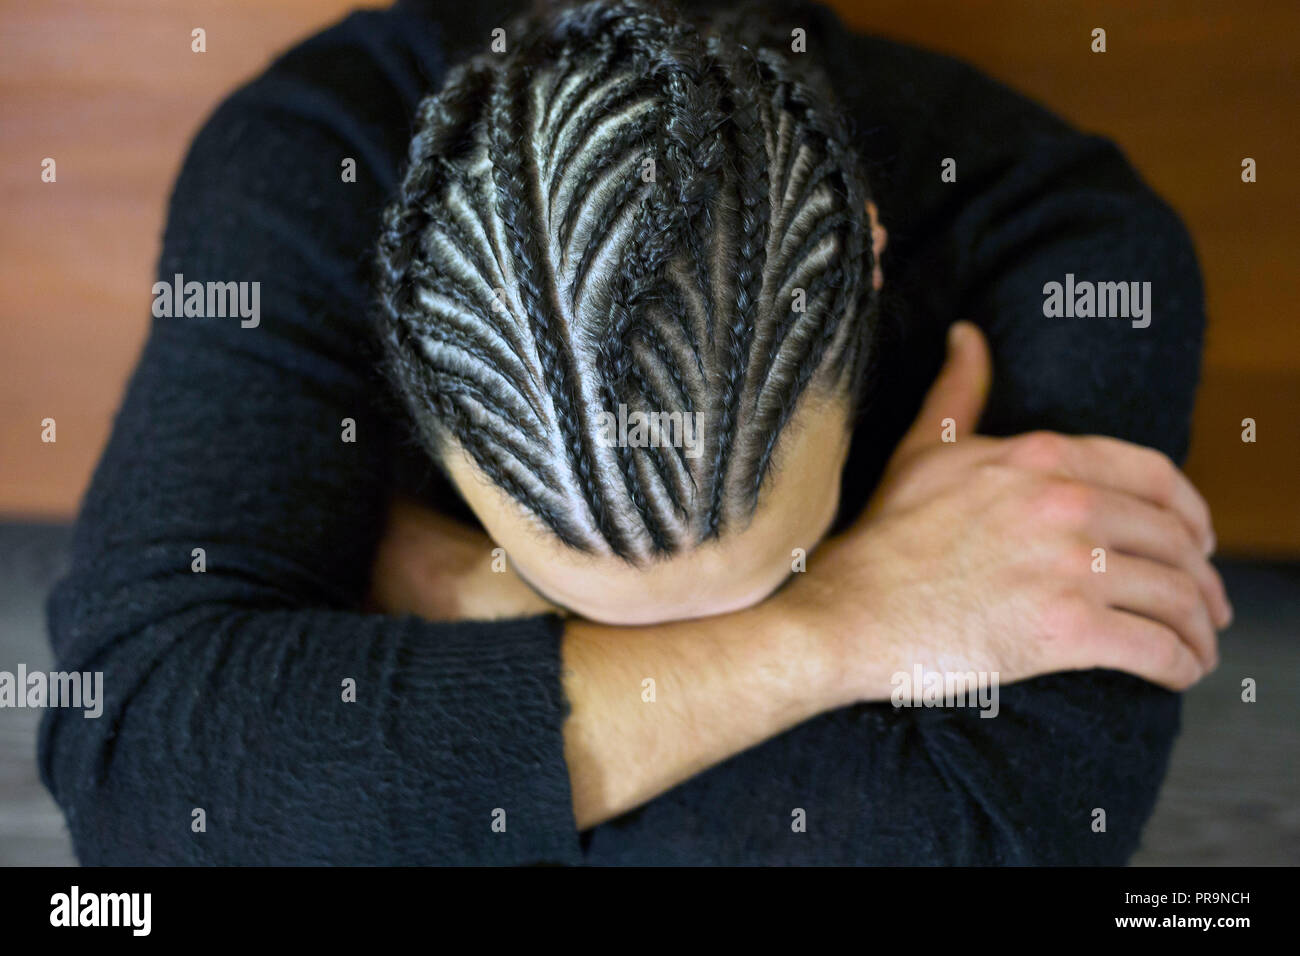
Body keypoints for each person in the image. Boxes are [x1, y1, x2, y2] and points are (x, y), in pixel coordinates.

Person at [40, 0, 1228, 865]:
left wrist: (419, 679)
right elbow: (145, 780)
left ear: (870, 265)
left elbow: (991, 837)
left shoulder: (1069, 246)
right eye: (576, 608)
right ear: (394, 360)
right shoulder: (314, 154)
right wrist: (833, 628)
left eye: (770, 581)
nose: (675, 655)